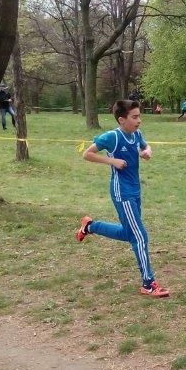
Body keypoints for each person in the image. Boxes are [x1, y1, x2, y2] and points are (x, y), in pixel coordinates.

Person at [74, 99, 170, 298]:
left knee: (129, 233)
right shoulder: (113, 137)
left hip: (135, 190)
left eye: (139, 116)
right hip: (122, 193)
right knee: (140, 236)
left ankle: (90, 226)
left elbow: (146, 146)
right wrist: (112, 161)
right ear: (121, 120)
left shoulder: (136, 134)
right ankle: (148, 284)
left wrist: (147, 152)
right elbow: (87, 154)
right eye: (134, 117)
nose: (139, 120)